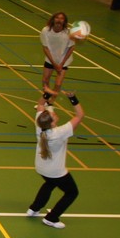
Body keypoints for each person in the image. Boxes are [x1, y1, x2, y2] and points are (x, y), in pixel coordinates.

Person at [27, 89, 85, 229]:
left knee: (50, 183)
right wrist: (73, 98)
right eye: (52, 114)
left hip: (41, 167)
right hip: (56, 171)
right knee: (72, 193)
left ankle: (34, 208)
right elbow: (80, 115)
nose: (53, 112)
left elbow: (40, 105)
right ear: (52, 123)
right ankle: (51, 218)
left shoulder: (39, 125)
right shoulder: (60, 132)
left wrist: (47, 94)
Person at [40, 11, 75, 100]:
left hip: (63, 61)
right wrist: (54, 64)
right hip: (50, 59)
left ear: (64, 21)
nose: (59, 20)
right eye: (57, 18)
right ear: (53, 19)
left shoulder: (68, 32)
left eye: (62, 18)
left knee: (58, 84)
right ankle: (45, 99)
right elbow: (45, 48)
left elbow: (71, 48)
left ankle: (51, 102)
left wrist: (61, 64)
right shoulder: (46, 30)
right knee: (45, 80)